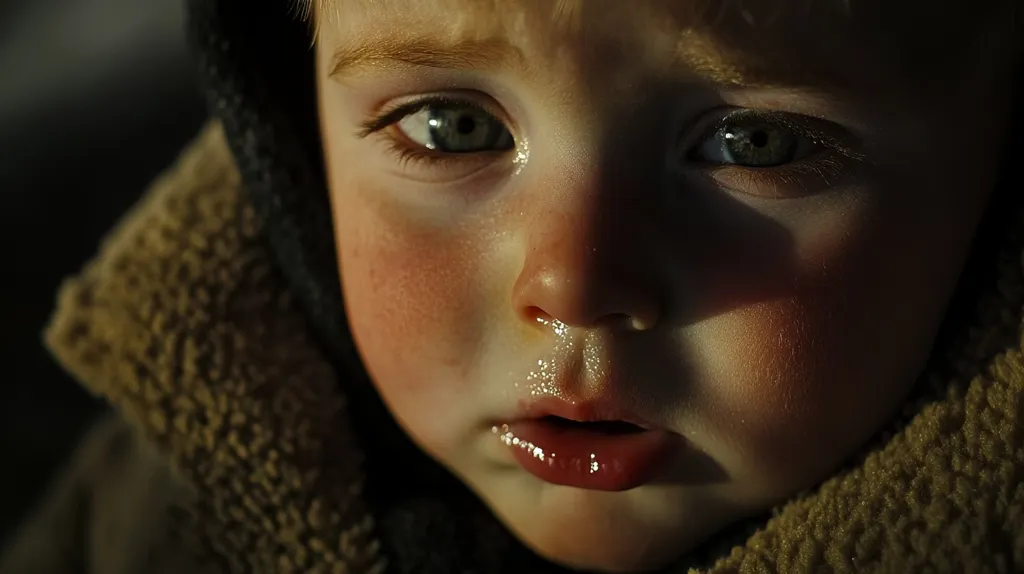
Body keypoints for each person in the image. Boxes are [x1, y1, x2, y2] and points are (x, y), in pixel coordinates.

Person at [3, 0, 1023, 572]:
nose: (572, 283)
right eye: (453, 127)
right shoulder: (156, 504)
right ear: (285, 124)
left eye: (749, 142)